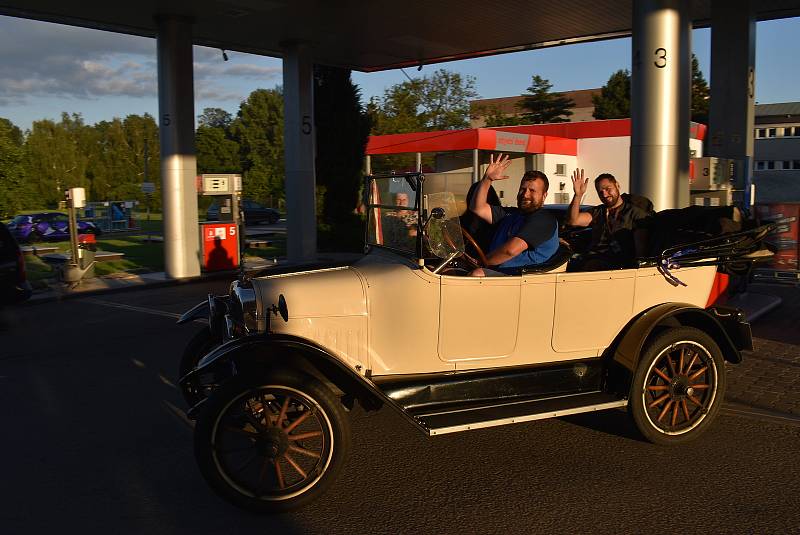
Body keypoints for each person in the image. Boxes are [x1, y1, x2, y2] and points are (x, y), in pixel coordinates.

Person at [468, 154, 559, 276]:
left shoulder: (544, 219)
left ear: (544, 196)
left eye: (532, 191)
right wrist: (487, 179)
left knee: (477, 274)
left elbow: (510, 251)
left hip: (520, 277)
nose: (525, 194)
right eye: (523, 189)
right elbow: (477, 208)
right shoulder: (511, 214)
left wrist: (481, 262)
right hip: (500, 271)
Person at [566, 169, 654, 271]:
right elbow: (573, 220)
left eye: (608, 189)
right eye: (600, 192)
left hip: (616, 270)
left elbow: (641, 253)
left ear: (617, 185)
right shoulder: (598, 212)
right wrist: (578, 195)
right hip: (590, 263)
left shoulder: (636, 214)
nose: (604, 194)